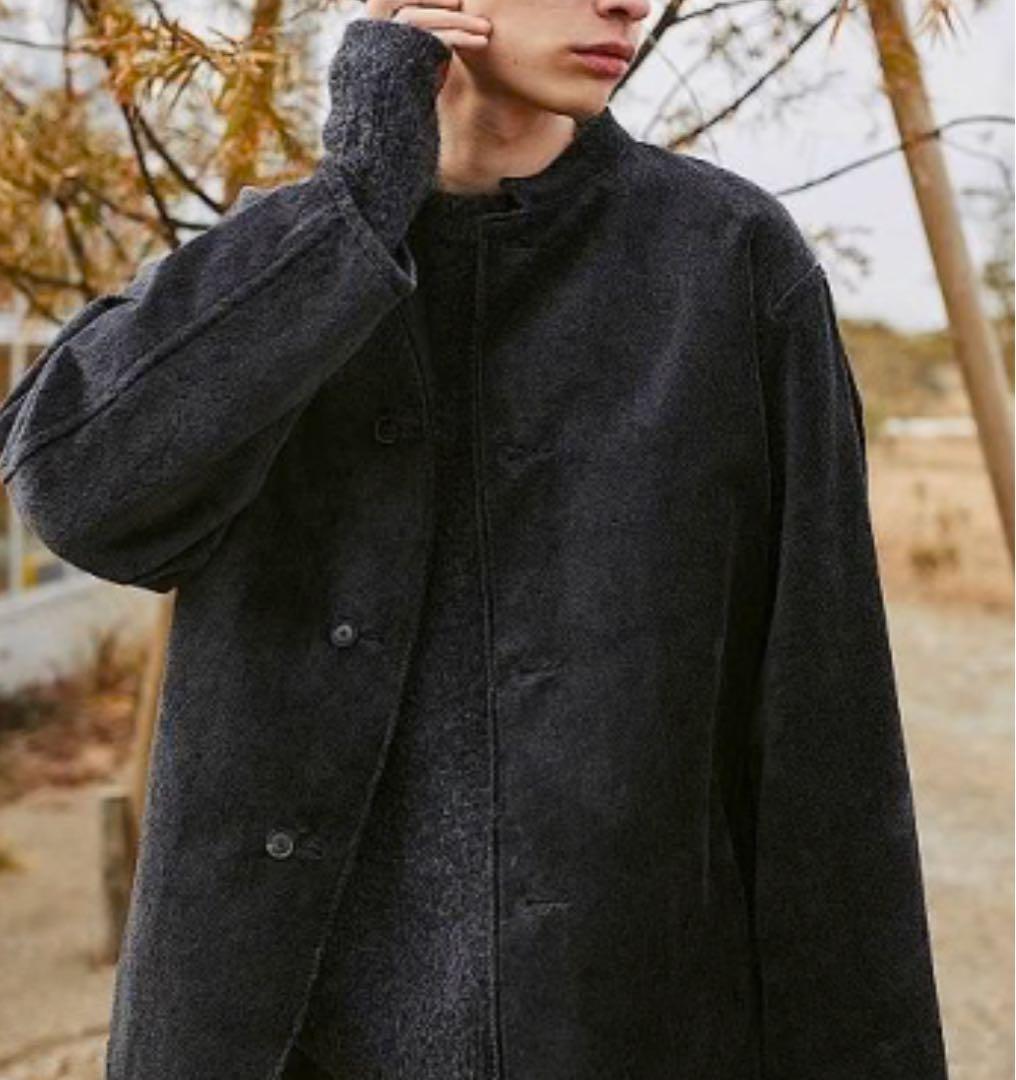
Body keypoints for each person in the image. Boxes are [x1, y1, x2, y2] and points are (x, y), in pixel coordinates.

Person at [0, 1, 950, 1078]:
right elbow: (79, 497)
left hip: (614, 1028)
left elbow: (827, 735)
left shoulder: (727, 265)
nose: (628, 2)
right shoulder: (288, 261)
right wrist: (361, 192)